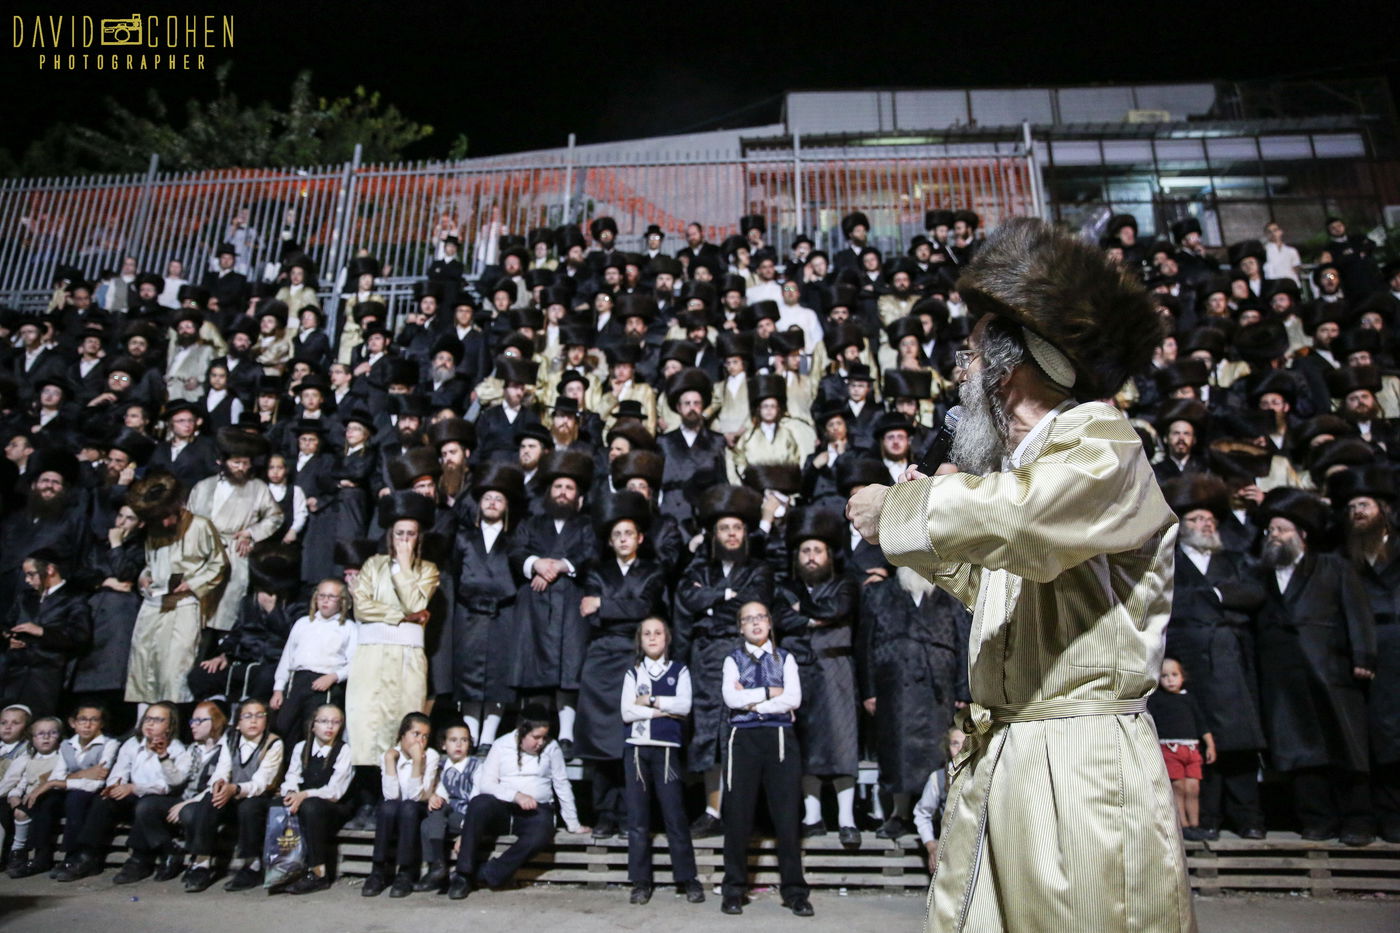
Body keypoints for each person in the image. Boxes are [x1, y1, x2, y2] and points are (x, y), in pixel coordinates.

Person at [849, 218, 1194, 931]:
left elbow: (1023, 519)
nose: (960, 375)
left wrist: (908, 507)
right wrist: (920, 536)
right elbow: (996, 581)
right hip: (1007, 749)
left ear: (1009, 369)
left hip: (1080, 761)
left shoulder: (1101, 438)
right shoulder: (1020, 472)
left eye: (969, 357)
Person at [1254, 487, 1376, 846]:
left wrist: (1364, 657)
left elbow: (1358, 612)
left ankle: (1358, 821)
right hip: (1285, 679)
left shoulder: (1332, 566)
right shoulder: (1262, 574)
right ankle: (1317, 820)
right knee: (1301, 752)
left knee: (1346, 747)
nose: (1274, 536)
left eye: (1282, 529)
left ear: (1302, 535)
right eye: (1271, 531)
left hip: (1331, 671)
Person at [672, 485, 773, 837]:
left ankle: (741, 810)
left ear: (746, 533)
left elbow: (753, 604)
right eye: (724, 528)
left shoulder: (759, 569)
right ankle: (712, 810)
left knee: (742, 731)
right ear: (713, 535)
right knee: (707, 734)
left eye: (737, 528)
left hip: (744, 657)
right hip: (705, 658)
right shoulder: (699, 567)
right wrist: (724, 596)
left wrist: (712, 601)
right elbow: (687, 599)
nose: (731, 534)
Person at [574, 492, 665, 839]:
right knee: (601, 742)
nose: (624, 539)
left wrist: (604, 604)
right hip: (601, 660)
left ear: (640, 538)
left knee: (633, 740)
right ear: (610, 542)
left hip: (635, 658)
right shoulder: (598, 571)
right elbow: (590, 609)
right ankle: (604, 814)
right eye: (617, 535)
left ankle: (631, 814)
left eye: (629, 533)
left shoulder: (653, 570)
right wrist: (614, 605)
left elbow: (646, 606)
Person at [719, 600, 811, 917]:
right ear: (740, 626)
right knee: (738, 816)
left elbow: (793, 698)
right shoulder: (732, 659)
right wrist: (770, 694)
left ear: (770, 622)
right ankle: (733, 889)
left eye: (761, 617)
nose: (756, 623)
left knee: (786, 818)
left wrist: (753, 701)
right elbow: (731, 698)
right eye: (749, 619)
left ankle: (795, 892)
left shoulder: (785, 658)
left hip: (780, 739)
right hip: (742, 740)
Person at [506, 451, 598, 755]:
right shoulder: (532, 523)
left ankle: (568, 735)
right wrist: (536, 563)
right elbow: (517, 550)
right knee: (536, 675)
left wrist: (560, 566)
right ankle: (532, 734)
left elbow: (591, 554)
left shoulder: (586, 525)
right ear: (549, 493)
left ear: (578, 497)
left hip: (570, 605)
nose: (562, 493)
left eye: (569, 488)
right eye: (558, 487)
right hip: (536, 606)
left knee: (567, 673)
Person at [347, 492, 440, 780]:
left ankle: (398, 785)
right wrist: (400, 616)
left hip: (407, 655)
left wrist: (403, 564)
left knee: (402, 716)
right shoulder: (374, 564)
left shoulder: (428, 570)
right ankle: (365, 787)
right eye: (399, 534)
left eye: (410, 534)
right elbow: (361, 607)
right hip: (371, 652)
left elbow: (416, 604)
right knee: (366, 718)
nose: (404, 540)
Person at [446, 712, 588, 900]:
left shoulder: (552, 748)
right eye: (536, 737)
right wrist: (515, 796)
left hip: (536, 810)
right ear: (521, 733)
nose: (541, 742)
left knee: (542, 832)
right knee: (480, 803)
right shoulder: (501, 745)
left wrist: (573, 823)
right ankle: (462, 875)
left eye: (544, 737)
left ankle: (490, 873)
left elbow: (562, 784)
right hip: (503, 807)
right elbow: (486, 784)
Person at [124, 472, 229, 708]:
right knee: (144, 662)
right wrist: (144, 577)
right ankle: (145, 720)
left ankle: (172, 719)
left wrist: (192, 583)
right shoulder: (155, 530)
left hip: (185, 603)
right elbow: (150, 564)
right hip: (154, 603)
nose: (165, 523)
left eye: (167, 517)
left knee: (176, 665)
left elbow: (218, 563)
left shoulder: (200, 525)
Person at [54, 701, 186, 882]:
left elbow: (169, 785)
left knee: (145, 803)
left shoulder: (177, 749)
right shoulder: (133, 743)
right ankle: (88, 855)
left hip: (159, 801)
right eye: (148, 718)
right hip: (133, 795)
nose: (150, 723)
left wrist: (134, 787)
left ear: (170, 726)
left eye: (158, 720)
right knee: (104, 800)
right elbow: (120, 770)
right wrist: (116, 784)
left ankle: (139, 860)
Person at [620, 616, 703, 905]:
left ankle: (687, 878)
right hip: (636, 750)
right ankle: (641, 882)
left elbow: (685, 706)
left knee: (675, 816)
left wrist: (652, 702)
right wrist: (662, 712)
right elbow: (627, 713)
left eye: (658, 633)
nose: (653, 637)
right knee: (639, 820)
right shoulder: (634, 672)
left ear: (667, 638)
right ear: (640, 641)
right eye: (647, 634)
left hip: (667, 748)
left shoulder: (679, 671)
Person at [185, 428, 284, 636]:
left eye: (246, 463)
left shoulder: (257, 488)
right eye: (236, 462)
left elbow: (275, 516)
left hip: (233, 553)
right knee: (193, 614)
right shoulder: (203, 486)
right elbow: (188, 519)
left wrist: (251, 532)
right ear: (223, 462)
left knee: (224, 611)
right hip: (201, 553)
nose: (241, 468)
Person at [119, 699, 227, 888]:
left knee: (189, 812)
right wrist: (163, 757)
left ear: (215, 722)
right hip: (185, 798)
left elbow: (216, 785)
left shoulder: (225, 748)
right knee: (147, 805)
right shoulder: (194, 748)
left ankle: (199, 864)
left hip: (207, 801)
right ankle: (168, 849)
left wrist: (186, 804)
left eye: (199, 721)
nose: (193, 725)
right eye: (192, 721)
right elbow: (176, 779)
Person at [187, 697, 285, 892]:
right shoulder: (230, 740)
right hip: (233, 793)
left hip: (260, 796)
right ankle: (201, 863)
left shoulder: (273, 743)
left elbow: (262, 782)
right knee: (210, 799)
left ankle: (252, 865)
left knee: (250, 807)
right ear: (238, 723)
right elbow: (222, 770)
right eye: (247, 716)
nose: (253, 721)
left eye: (259, 716)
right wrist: (220, 784)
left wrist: (236, 789)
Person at [15, 703, 117, 879]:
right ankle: (41, 856)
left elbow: (97, 782)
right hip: (71, 789)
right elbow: (58, 776)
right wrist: (83, 774)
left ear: (101, 724)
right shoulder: (67, 745)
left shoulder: (109, 744)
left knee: (75, 799)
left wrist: (62, 781)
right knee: (46, 799)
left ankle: (73, 856)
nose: (87, 725)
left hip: (94, 795)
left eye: (94, 720)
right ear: (72, 723)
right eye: (82, 720)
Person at [1, 549, 92, 718]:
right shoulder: (25, 597)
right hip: (14, 673)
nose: (27, 580)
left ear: (49, 570)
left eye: (31, 574)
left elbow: (80, 636)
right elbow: (6, 624)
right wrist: (7, 639)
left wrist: (41, 631)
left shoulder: (73, 598)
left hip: (46, 676)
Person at [274, 704, 354, 895]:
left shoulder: (344, 751)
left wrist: (304, 795)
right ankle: (283, 868)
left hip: (335, 806)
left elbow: (335, 791)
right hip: (307, 800)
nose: (330, 727)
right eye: (324, 721)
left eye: (336, 722)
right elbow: (292, 776)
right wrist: (291, 793)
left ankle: (318, 872)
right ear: (313, 725)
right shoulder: (302, 747)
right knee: (278, 804)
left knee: (311, 807)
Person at [363, 711, 439, 898]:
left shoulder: (431, 755)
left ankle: (405, 872)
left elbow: (416, 796)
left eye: (425, 736)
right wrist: (390, 761)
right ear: (402, 735)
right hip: (395, 806)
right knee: (387, 807)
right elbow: (390, 795)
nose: (420, 741)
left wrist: (417, 762)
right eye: (416, 734)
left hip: (417, 807)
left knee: (408, 807)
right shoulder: (389, 755)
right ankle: (378, 869)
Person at [271, 579, 356, 741]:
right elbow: (287, 658)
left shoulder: (348, 627)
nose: (325, 600)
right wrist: (278, 689)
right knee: (285, 727)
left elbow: (355, 663)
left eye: (331, 597)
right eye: (321, 595)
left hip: (326, 684)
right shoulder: (303, 623)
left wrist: (333, 677)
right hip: (298, 681)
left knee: (313, 731)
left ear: (342, 601)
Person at [1148, 658, 1215, 838]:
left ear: (1182, 677)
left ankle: (1195, 824)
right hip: (1170, 748)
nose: (1170, 679)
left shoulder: (1188, 698)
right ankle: (1182, 825)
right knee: (1178, 787)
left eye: (1174, 675)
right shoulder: (1157, 700)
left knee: (1193, 788)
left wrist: (1210, 745)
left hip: (1191, 749)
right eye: (1164, 676)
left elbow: (1201, 724)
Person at [414, 723, 480, 894]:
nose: (458, 745)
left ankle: (437, 868)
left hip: (468, 817)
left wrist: (466, 831)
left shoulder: (475, 766)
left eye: (464, 740)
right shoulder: (442, 767)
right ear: (444, 745)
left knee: (427, 825)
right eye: (453, 740)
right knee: (432, 814)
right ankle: (438, 866)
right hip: (450, 815)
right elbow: (442, 793)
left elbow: (476, 799)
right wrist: (435, 798)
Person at [3, 715, 61, 877]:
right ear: (32, 738)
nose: (46, 737)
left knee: (38, 810)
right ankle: (17, 850)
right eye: (40, 734)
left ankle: (36, 854)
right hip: (29, 796)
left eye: (52, 733)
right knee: (18, 812)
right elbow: (23, 781)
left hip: (48, 796)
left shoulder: (59, 758)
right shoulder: (30, 759)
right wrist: (14, 794)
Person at [912, 728, 966, 874]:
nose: (960, 748)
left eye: (965, 743)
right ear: (948, 748)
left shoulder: (984, 775)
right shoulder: (938, 778)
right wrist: (931, 846)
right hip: (951, 850)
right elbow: (922, 814)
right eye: (955, 743)